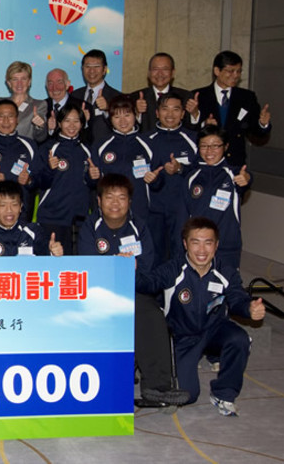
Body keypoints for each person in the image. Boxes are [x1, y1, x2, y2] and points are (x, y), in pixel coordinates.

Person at [79, 174, 189, 407]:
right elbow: (88, 270)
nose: (115, 203)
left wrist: (133, 271)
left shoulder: (140, 227)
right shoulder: (89, 228)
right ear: (99, 201)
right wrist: (116, 266)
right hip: (100, 292)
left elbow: (149, 271)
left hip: (133, 287)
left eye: (122, 197)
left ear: (130, 201)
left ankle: (157, 386)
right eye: (109, 198)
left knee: (151, 314)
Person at [136, 217, 265, 416]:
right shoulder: (173, 269)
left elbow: (237, 298)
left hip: (214, 330)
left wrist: (249, 308)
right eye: (195, 242)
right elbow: (148, 283)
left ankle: (224, 394)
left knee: (240, 338)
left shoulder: (226, 272)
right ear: (185, 244)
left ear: (217, 245)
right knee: (188, 395)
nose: (202, 250)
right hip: (182, 337)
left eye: (208, 242)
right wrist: (132, 271)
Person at [179, 126, 251, 269]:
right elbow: (182, 217)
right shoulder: (191, 178)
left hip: (226, 246)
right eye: (204, 146)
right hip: (198, 249)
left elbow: (245, 179)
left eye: (215, 146)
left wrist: (246, 178)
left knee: (227, 287)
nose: (209, 151)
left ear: (226, 147)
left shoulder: (233, 174)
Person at [33, 103, 98, 254]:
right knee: (51, 266)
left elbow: (91, 184)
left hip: (79, 219)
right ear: (59, 123)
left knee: (75, 268)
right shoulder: (48, 148)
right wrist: (50, 169)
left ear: (82, 124)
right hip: (52, 218)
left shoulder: (88, 150)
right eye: (67, 120)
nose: (72, 125)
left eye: (76, 121)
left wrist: (93, 177)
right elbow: (38, 182)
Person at [187, 50, 271, 166]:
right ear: (217, 71)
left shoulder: (247, 97)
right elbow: (187, 130)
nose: (235, 75)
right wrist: (203, 124)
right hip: (205, 163)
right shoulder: (198, 96)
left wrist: (263, 124)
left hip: (235, 163)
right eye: (230, 71)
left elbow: (256, 132)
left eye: (238, 71)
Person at [145, 92, 198, 260]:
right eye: (165, 109)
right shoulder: (145, 139)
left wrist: (181, 168)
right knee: (154, 254)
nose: (170, 114)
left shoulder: (193, 139)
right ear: (157, 113)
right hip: (152, 209)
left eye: (176, 110)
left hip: (182, 209)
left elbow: (201, 171)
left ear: (183, 113)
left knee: (180, 254)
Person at [92, 96, 163, 221]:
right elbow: (92, 182)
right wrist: (90, 176)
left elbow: (159, 181)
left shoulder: (149, 144)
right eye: (117, 117)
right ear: (110, 119)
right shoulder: (101, 145)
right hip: (109, 213)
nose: (123, 121)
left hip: (140, 212)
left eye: (127, 115)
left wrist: (155, 180)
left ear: (135, 114)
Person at [0, 99, 38, 220]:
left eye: (10, 116)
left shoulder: (30, 145)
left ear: (17, 119)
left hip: (20, 214)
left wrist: (29, 180)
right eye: (1, 116)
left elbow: (40, 179)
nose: (6, 121)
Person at [0, 181, 63, 257]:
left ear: (21, 206)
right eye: (2, 205)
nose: (9, 210)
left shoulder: (33, 231)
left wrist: (53, 251)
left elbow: (45, 247)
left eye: (14, 205)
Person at [131, 53, 192, 134]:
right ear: (149, 73)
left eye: (165, 69)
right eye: (155, 69)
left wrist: (194, 114)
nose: (160, 73)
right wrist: (137, 113)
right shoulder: (134, 97)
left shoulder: (186, 97)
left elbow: (191, 129)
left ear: (173, 72)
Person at [72, 49, 122, 145]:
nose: (92, 71)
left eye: (97, 66)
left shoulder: (117, 97)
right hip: (79, 151)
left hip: (107, 152)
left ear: (104, 69)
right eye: (87, 66)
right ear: (82, 69)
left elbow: (123, 127)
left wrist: (107, 110)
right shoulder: (74, 96)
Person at [0, 61, 49, 143]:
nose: (19, 84)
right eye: (15, 79)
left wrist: (40, 126)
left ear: (29, 82)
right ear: (9, 83)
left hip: (25, 152)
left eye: (23, 79)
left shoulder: (39, 105)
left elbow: (40, 138)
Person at [44, 68, 91, 142]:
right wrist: (48, 130)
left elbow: (90, 139)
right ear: (46, 86)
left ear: (67, 84)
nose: (55, 88)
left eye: (59, 82)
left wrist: (84, 123)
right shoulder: (41, 107)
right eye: (50, 83)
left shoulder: (83, 106)